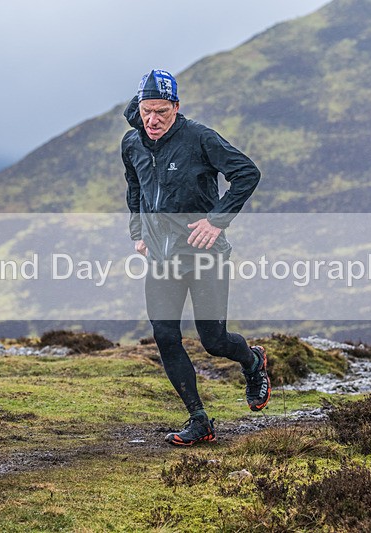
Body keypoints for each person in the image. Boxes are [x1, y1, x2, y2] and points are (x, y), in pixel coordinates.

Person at [121, 69, 271, 446]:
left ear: (176, 107)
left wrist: (217, 221)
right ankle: (199, 419)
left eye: (161, 112)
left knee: (214, 340)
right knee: (165, 335)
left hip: (205, 255)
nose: (152, 120)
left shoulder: (199, 138)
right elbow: (135, 187)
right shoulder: (132, 143)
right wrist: (138, 233)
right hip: (161, 258)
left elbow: (246, 173)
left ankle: (252, 362)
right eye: (146, 111)